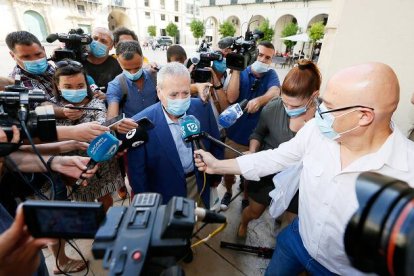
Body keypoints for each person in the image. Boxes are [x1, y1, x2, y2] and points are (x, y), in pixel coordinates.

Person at [194, 62, 414, 275]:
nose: (319, 111)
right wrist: (218, 165)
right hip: (296, 241)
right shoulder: (316, 132)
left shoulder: (407, 173)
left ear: (364, 116)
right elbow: (273, 158)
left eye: (329, 106)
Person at [238, 60, 321, 238]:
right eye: (285, 103)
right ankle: (243, 223)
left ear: (314, 96)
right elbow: (258, 133)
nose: (288, 109)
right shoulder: (273, 107)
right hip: (268, 175)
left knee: (292, 224)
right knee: (254, 212)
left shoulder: (325, 120)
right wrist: (252, 153)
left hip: (300, 181)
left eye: (296, 106)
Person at [127, 62, 223, 207]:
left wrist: (216, 176)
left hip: (199, 183)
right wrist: (147, 207)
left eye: (185, 93)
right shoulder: (140, 125)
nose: (181, 99)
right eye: (173, 94)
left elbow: (216, 143)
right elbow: (137, 174)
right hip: (164, 194)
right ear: (159, 92)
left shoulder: (202, 108)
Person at [51, 59, 124, 209]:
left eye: (80, 86)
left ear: (86, 84)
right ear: (58, 87)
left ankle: (105, 226)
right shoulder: (51, 107)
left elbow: (104, 128)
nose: (75, 90)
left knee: (105, 198)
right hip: (72, 166)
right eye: (68, 87)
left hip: (102, 165)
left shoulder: (96, 105)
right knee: (83, 204)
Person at [221, 41, 280, 210]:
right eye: (260, 55)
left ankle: (245, 195)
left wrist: (260, 100)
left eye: (267, 57)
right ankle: (228, 191)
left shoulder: (271, 75)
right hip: (234, 135)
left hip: (255, 138)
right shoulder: (242, 71)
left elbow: (275, 91)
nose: (263, 60)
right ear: (254, 54)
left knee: (250, 174)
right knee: (229, 171)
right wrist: (237, 71)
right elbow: (232, 97)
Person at [106, 41, 158, 133]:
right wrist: (118, 124)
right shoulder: (116, 85)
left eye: (137, 67)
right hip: (132, 133)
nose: (133, 73)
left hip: (156, 128)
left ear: (142, 58)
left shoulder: (155, 76)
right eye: (127, 69)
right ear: (118, 61)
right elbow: (111, 119)